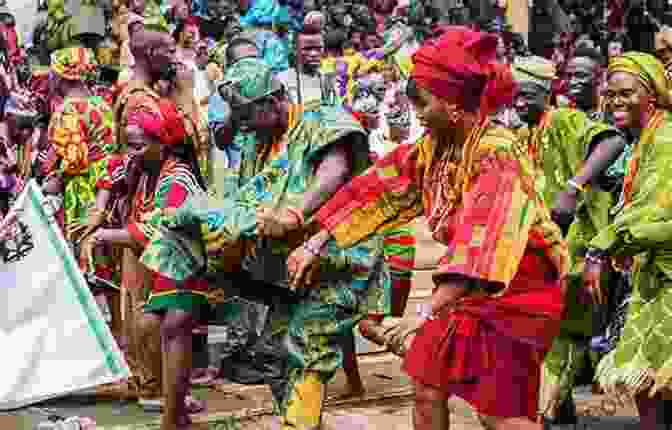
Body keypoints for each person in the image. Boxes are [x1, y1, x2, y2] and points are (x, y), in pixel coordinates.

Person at [288, 27, 568, 430]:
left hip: (515, 290)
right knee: (426, 386)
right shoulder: (434, 146)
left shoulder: (497, 154)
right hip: (460, 288)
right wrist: (316, 240)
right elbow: (377, 188)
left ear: (454, 103)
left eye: (423, 103)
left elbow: (481, 243)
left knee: (499, 416)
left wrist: (421, 312)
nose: (416, 113)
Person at [133, 56, 388, 429]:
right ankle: (301, 420)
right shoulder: (256, 143)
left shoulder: (321, 118)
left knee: (307, 346)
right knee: (275, 352)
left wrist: (296, 212)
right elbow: (250, 201)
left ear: (273, 100)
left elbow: (335, 167)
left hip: (337, 257)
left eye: (248, 114)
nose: (244, 126)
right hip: (288, 269)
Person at [508, 55, 627, 426]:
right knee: (552, 335)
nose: (519, 103)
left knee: (565, 336)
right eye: (515, 97)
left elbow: (611, 141)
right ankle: (558, 410)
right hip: (546, 251)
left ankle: (549, 411)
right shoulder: (526, 134)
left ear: (545, 93)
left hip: (580, 250)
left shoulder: (564, 120)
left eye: (526, 95)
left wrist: (574, 187)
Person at [93, 92, 209, 430]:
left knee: (172, 327)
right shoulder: (143, 163)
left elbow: (158, 225)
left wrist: (105, 236)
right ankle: (175, 413)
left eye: (138, 146)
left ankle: (172, 416)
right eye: (129, 145)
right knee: (162, 328)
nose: (131, 153)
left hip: (184, 260)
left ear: (164, 144)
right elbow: (111, 170)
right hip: (164, 259)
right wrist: (99, 210)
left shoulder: (178, 176)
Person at [588, 52, 672, 430]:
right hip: (652, 276)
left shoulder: (666, 139)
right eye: (611, 94)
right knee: (648, 384)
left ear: (651, 95)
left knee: (654, 381)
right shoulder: (643, 139)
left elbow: (655, 214)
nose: (615, 101)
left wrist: (601, 246)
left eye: (626, 93)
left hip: (666, 279)